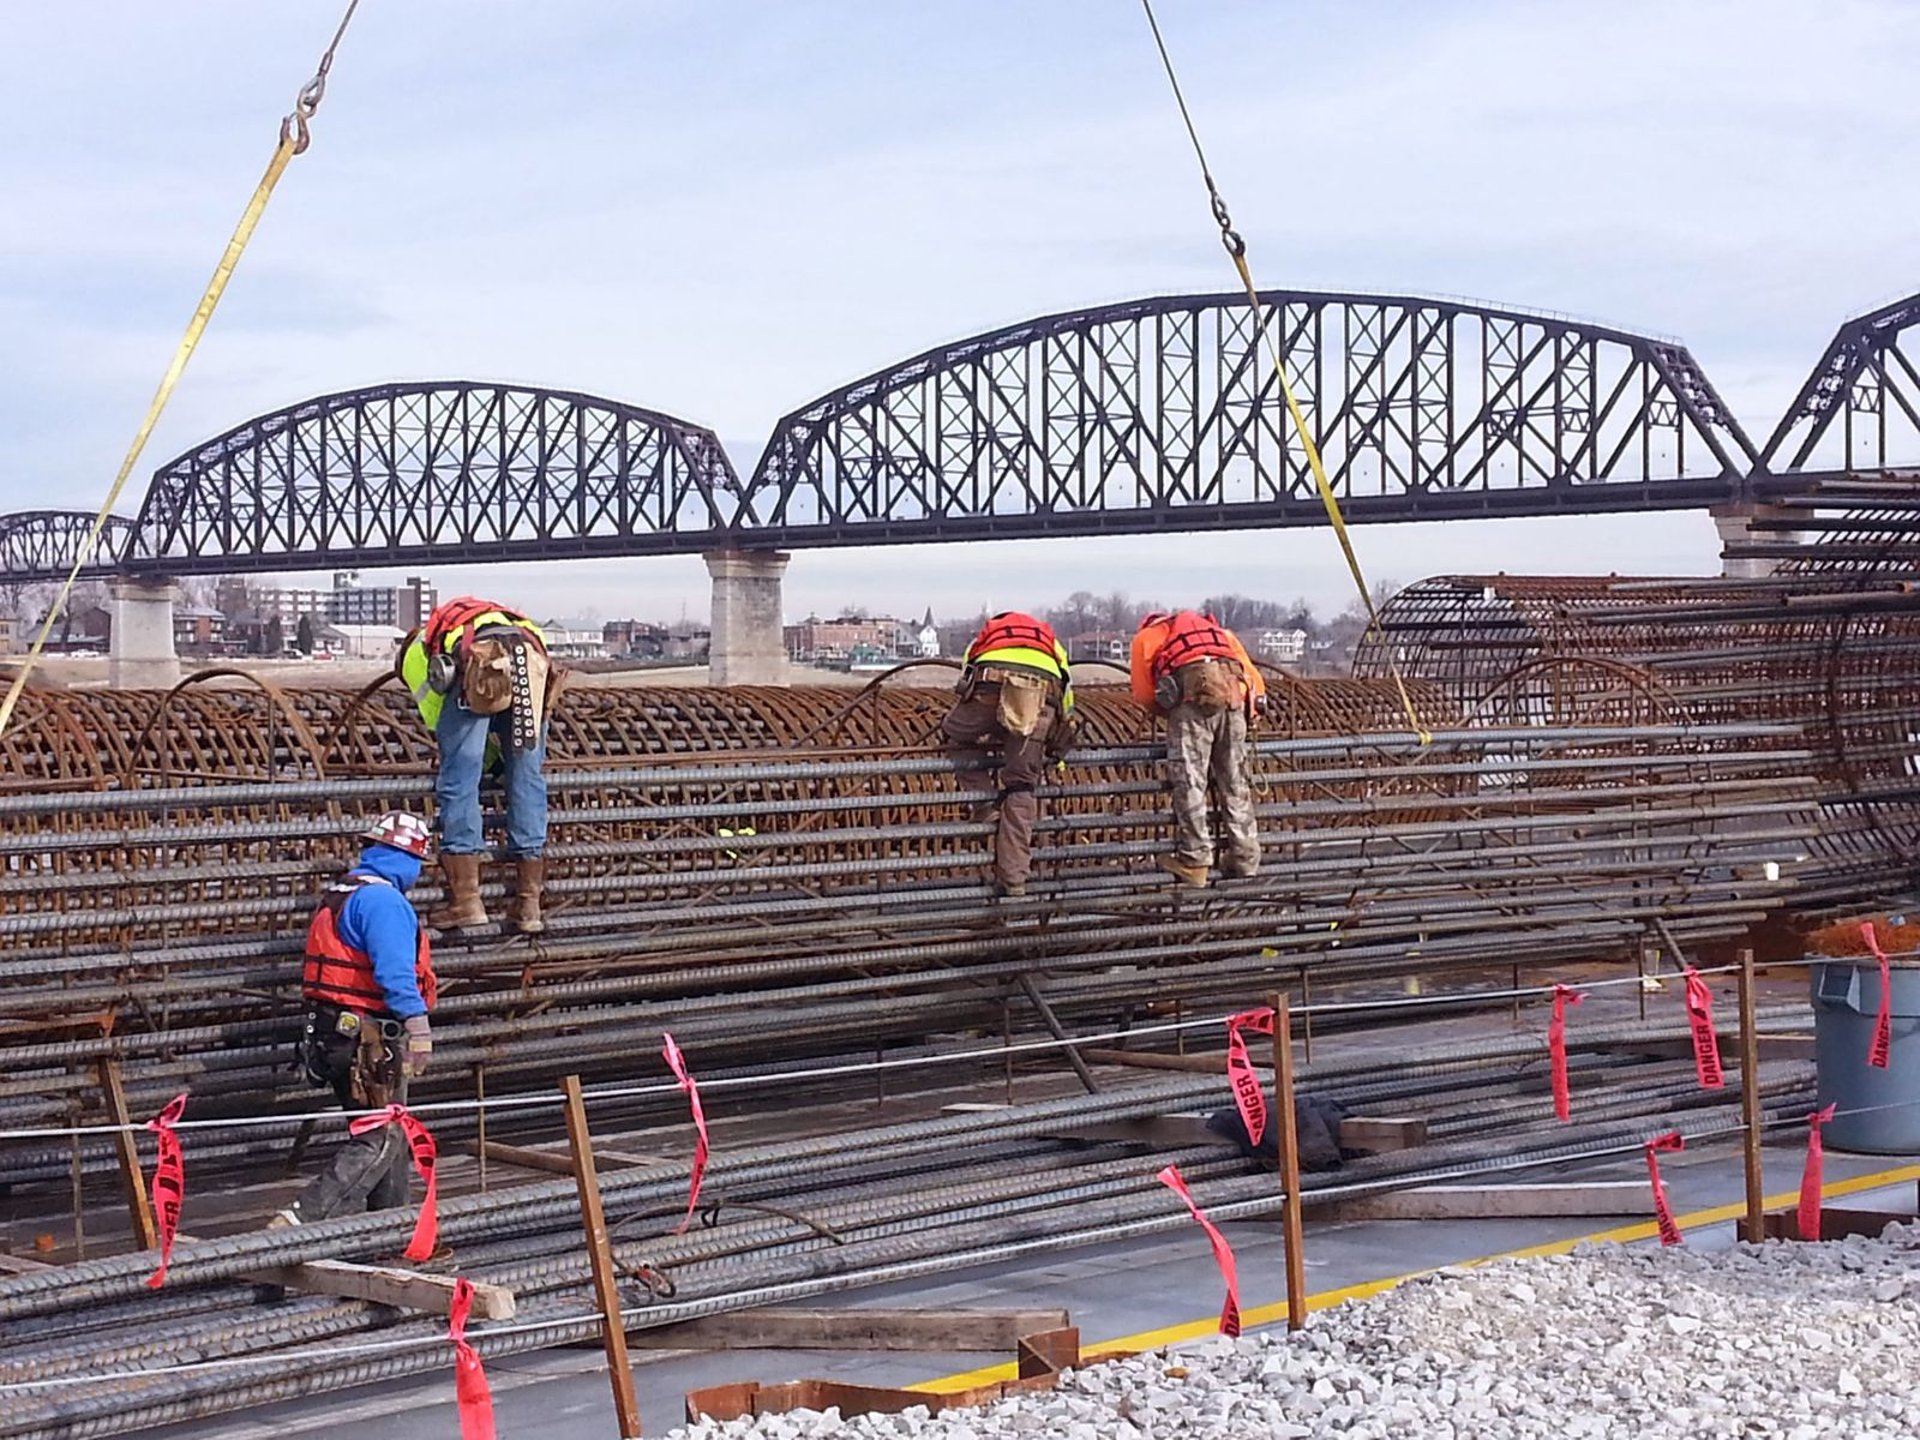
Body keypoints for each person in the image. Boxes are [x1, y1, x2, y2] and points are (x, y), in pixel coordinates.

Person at [276, 811, 437, 1225]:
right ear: (405, 859)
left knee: (393, 1133)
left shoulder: (345, 891)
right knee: (379, 1137)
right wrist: (419, 1029)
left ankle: (392, 1232)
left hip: (336, 1032)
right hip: (365, 1039)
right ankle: (299, 1223)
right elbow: (395, 974)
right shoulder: (384, 901)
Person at [397, 597, 553, 932]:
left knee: (459, 780)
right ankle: (529, 904)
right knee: (527, 778)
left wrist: (474, 761)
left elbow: (447, 730)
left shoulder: (415, 655)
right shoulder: (507, 621)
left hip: (481, 666)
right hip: (532, 664)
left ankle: (466, 900)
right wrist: (500, 763)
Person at [941, 611, 1078, 898]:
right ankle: (1014, 879)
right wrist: (1058, 752)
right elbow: (1066, 697)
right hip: (1041, 696)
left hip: (988, 687)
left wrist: (986, 724)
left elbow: (967, 680)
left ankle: (985, 806)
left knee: (954, 734)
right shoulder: (1052, 644)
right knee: (1021, 784)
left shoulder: (990, 634)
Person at [1130, 610, 1266, 888]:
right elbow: (1254, 680)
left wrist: (1172, 714)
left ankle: (1195, 860)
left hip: (1193, 703)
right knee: (1236, 780)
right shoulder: (1220, 635)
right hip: (1235, 702)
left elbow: (1145, 694)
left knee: (1189, 779)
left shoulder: (1146, 637)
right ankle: (1245, 856)